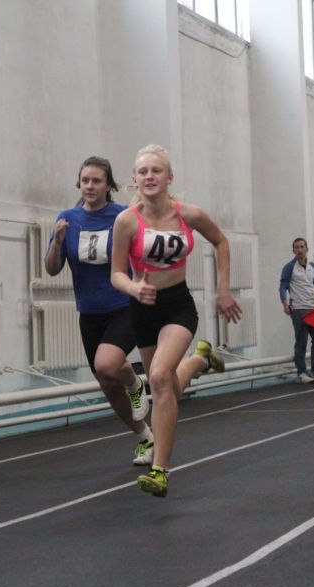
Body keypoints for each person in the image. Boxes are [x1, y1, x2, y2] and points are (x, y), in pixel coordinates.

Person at [111, 144, 241, 497]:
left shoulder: (190, 215)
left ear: (170, 177)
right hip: (143, 307)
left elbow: (222, 241)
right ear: (134, 180)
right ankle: (200, 359)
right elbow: (116, 274)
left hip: (176, 306)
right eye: (143, 172)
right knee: (165, 386)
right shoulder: (126, 221)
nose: (150, 177)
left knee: (156, 377)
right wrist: (134, 289)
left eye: (156, 170)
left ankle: (160, 470)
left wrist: (223, 289)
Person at [44, 156, 154, 467]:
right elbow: (52, 269)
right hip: (89, 312)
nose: (90, 186)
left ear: (108, 185)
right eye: (85, 180)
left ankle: (135, 382)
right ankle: (145, 437)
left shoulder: (122, 216)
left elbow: (143, 249)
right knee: (107, 383)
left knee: (107, 365)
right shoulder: (67, 219)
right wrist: (57, 243)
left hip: (123, 305)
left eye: (96, 181)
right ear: (79, 183)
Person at [279, 238, 314, 383]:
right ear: (293, 250)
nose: (299, 249)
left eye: (302, 246)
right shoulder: (289, 267)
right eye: (296, 247)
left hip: (313, 309)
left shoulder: (312, 266)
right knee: (301, 341)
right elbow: (283, 287)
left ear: (307, 249)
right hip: (298, 309)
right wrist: (285, 303)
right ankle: (301, 372)